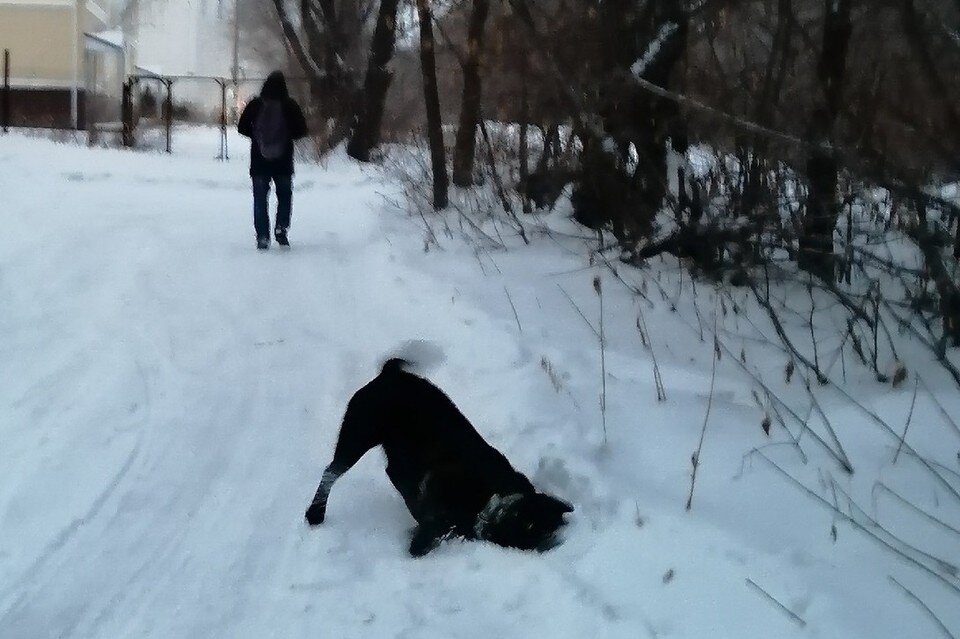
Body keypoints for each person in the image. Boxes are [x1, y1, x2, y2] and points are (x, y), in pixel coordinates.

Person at [238, 71, 308, 250]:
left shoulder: (255, 104)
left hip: (259, 161)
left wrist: (258, 138)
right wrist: (286, 136)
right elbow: (302, 131)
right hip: (283, 161)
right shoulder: (290, 105)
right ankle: (281, 230)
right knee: (284, 196)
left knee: (260, 198)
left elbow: (242, 127)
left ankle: (262, 236)